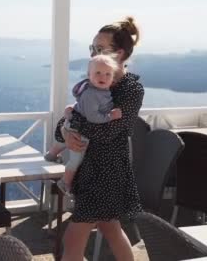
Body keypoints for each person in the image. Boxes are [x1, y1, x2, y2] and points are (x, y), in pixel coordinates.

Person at [58, 16, 144, 261]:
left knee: (73, 239)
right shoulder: (92, 81)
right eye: (92, 48)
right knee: (111, 229)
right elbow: (70, 117)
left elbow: (107, 132)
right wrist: (65, 130)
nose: (93, 53)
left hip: (106, 172)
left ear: (119, 54)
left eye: (99, 48)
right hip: (89, 168)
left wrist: (72, 124)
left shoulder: (130, 89)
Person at [44, 53, 122, 195]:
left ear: (113, 78)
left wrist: (72, 108)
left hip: (73, 124)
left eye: (107, 74)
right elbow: (93, 117)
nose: (102, 77)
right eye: (98, 73)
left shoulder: (97, 91)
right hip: (79, 131)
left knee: (63, 142)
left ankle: (51, 154)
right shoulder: (92, 94)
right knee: (76, 160)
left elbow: (83, 105)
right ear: (89, 75)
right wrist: (111, 116)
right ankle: (65, 182)